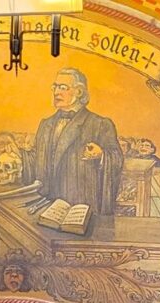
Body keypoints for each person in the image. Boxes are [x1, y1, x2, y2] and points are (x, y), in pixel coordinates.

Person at [29, 67, 123, 215]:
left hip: (83, 208)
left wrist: (102, 155)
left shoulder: (100, 124)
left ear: (79, 92)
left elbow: (117, 159)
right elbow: (35, 162)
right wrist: (19, 157)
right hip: (47, 206)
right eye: (55, 87)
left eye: (62, 87)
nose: (56, 92)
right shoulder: (45, 124)